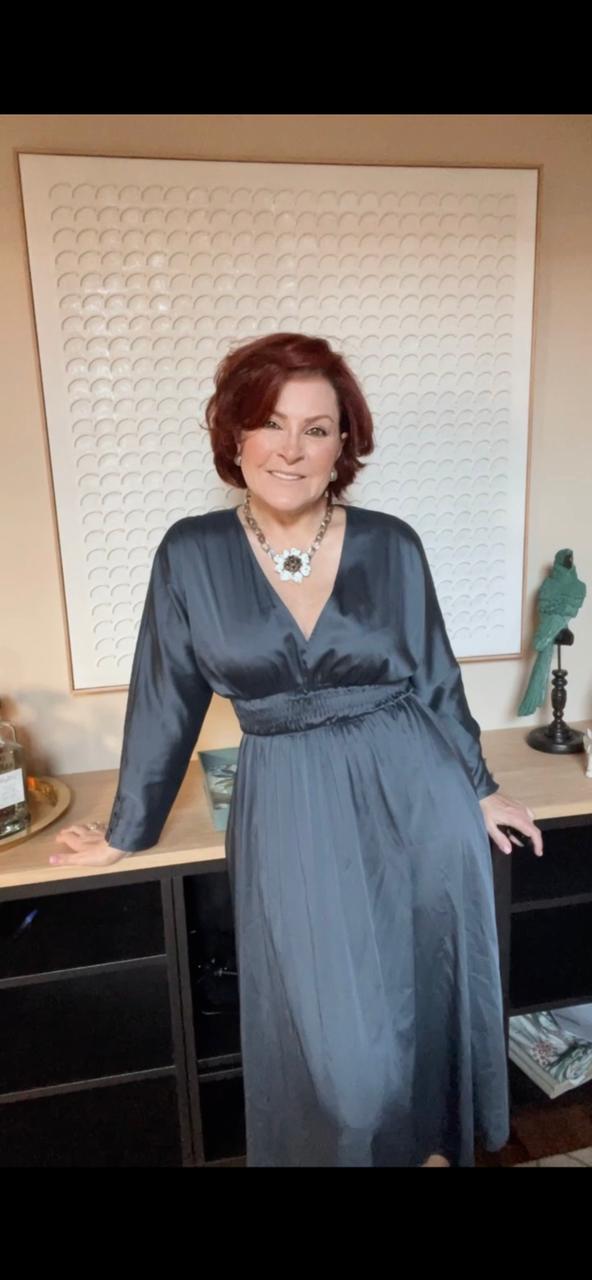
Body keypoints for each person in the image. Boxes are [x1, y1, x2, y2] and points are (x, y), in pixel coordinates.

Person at [50, 332, 543, 1168]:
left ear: (342, 445)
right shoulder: (190, 554)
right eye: (270, 423)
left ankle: (427, 1152)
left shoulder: (391, 543)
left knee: (428, 998)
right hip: (291, 799)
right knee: (345, 1060)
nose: (290, 449)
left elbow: (434, 675)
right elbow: (166, 697)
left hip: (415, 790)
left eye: (316, 429)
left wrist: (480, 785)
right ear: (234, 435)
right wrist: (127, 830)